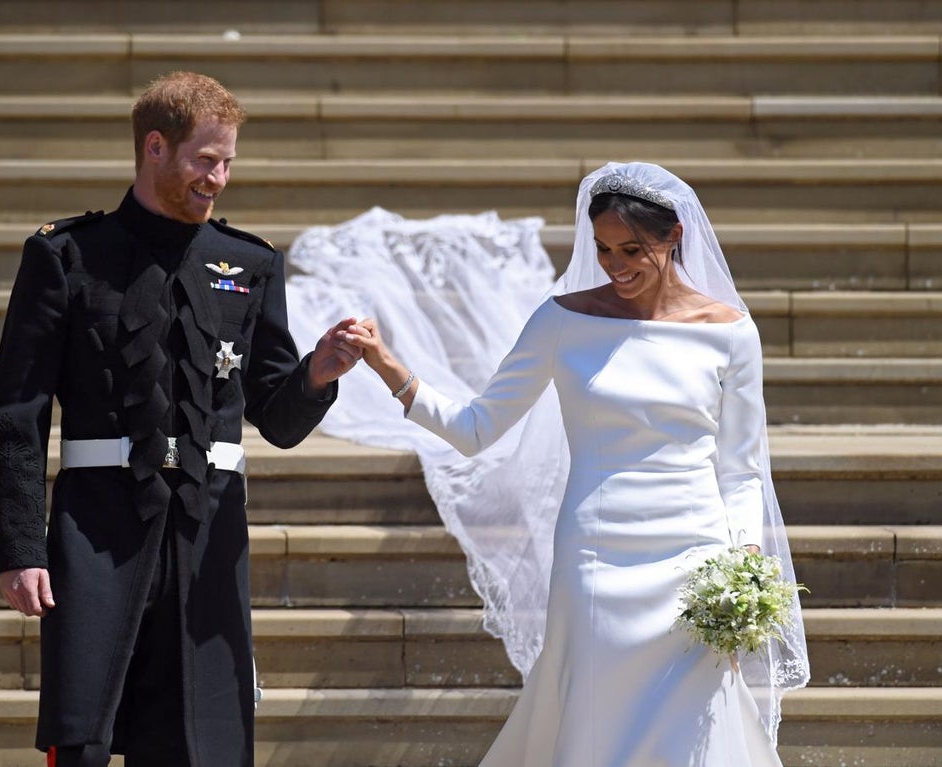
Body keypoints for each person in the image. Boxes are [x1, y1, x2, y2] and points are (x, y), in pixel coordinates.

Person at [342, 162, 808, 765]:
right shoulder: (562, 320)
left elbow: (741, 471)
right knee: (594, 715)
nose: (615, 265)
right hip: (595, 555)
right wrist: (387, 366)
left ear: (675, 237)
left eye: (632, 250)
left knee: (695, 726)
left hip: (697, 558)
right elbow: (476, 429)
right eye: (603, 249)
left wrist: (743, 566)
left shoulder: (733, 332)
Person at [0, 71, 362, 767]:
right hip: (96, 531)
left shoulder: (249, 263)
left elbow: (277, 418)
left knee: (204, 745)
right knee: (83, 738)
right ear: (154, 147)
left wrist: (317, 374)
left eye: (228, 162)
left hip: (208, 535)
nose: (219, 178)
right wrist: (20, 548)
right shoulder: (66, 256)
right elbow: (17, 414)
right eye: (205, 160)